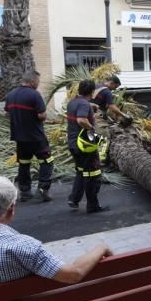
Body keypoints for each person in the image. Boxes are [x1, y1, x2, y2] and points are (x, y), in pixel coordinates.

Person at [5, 70, 54, 202]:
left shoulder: (11, 95)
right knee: (47, 162)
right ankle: (43, 190)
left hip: (19, 137)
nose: (38, 84)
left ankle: (25, 192)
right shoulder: (34, 95)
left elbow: (6, 113)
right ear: (32, 82)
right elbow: (42, 115)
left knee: (24, 163)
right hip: (36, 137)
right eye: (38, 82)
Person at [67, 79, 109, 213]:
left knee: (81, 171)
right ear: (92, 92)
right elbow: (81, 120)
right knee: (93, 174)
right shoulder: (84, 104)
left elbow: (80, 108)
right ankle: (92, 206)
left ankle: (74, 199)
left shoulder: (73, 102)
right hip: (84, 145)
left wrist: (92, 106)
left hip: (73, 144)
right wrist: (92, 129)